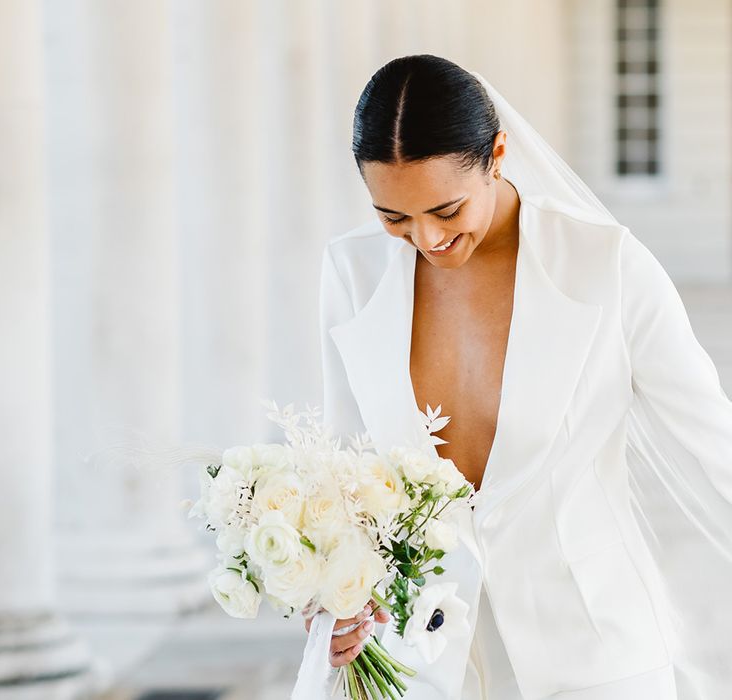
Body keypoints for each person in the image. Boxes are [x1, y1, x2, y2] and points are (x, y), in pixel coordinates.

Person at [311, 54, 732, 699]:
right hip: (412, 659)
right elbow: (341, 468)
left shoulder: (607, 266)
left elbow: (715, 443)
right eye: (394, 218)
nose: (426, 239)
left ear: (498, 153)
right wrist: (327, 599)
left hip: (593, 655)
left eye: (447, 211)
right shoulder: (351, 275)